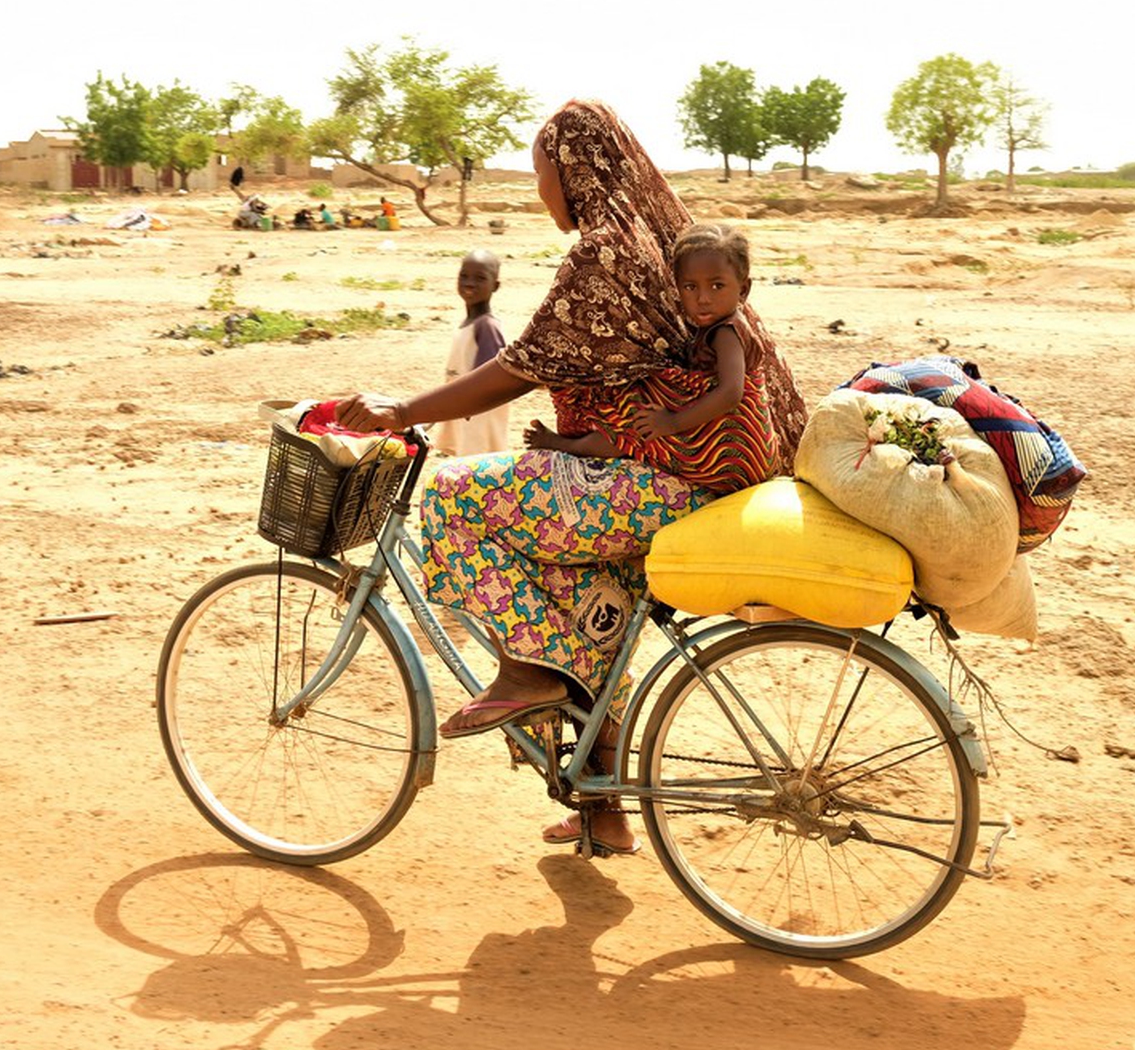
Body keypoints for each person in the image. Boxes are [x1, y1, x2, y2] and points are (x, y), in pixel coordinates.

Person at [337, 99, 806, 855]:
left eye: (541, 173)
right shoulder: (653, 239)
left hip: (656, 479)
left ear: (573, 170)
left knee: (454, 500)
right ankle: (604, 808)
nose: (540, 191)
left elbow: (520, 369)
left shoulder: (606, 255)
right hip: (669, 477)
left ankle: (524, 673)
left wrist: (403, 412)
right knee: (581, 617)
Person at [523, 223, 778, 493]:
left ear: (744, 290)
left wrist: (671, 423)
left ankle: (566, 446)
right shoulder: (713, 328)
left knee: (633, 421)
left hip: (733, 454)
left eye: (717, 286)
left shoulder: (727, 332)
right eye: (690, 287)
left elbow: (731, 393)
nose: (703, 298)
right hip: (746, 456)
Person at [430, 250, 511, 457]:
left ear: (496, 286)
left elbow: (488, 376)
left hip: (478, 418)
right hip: (465, 411)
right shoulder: (469, 324)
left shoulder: (487, 326)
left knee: (476, 470)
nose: (469, 283)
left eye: (480, 278)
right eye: (464, 276)